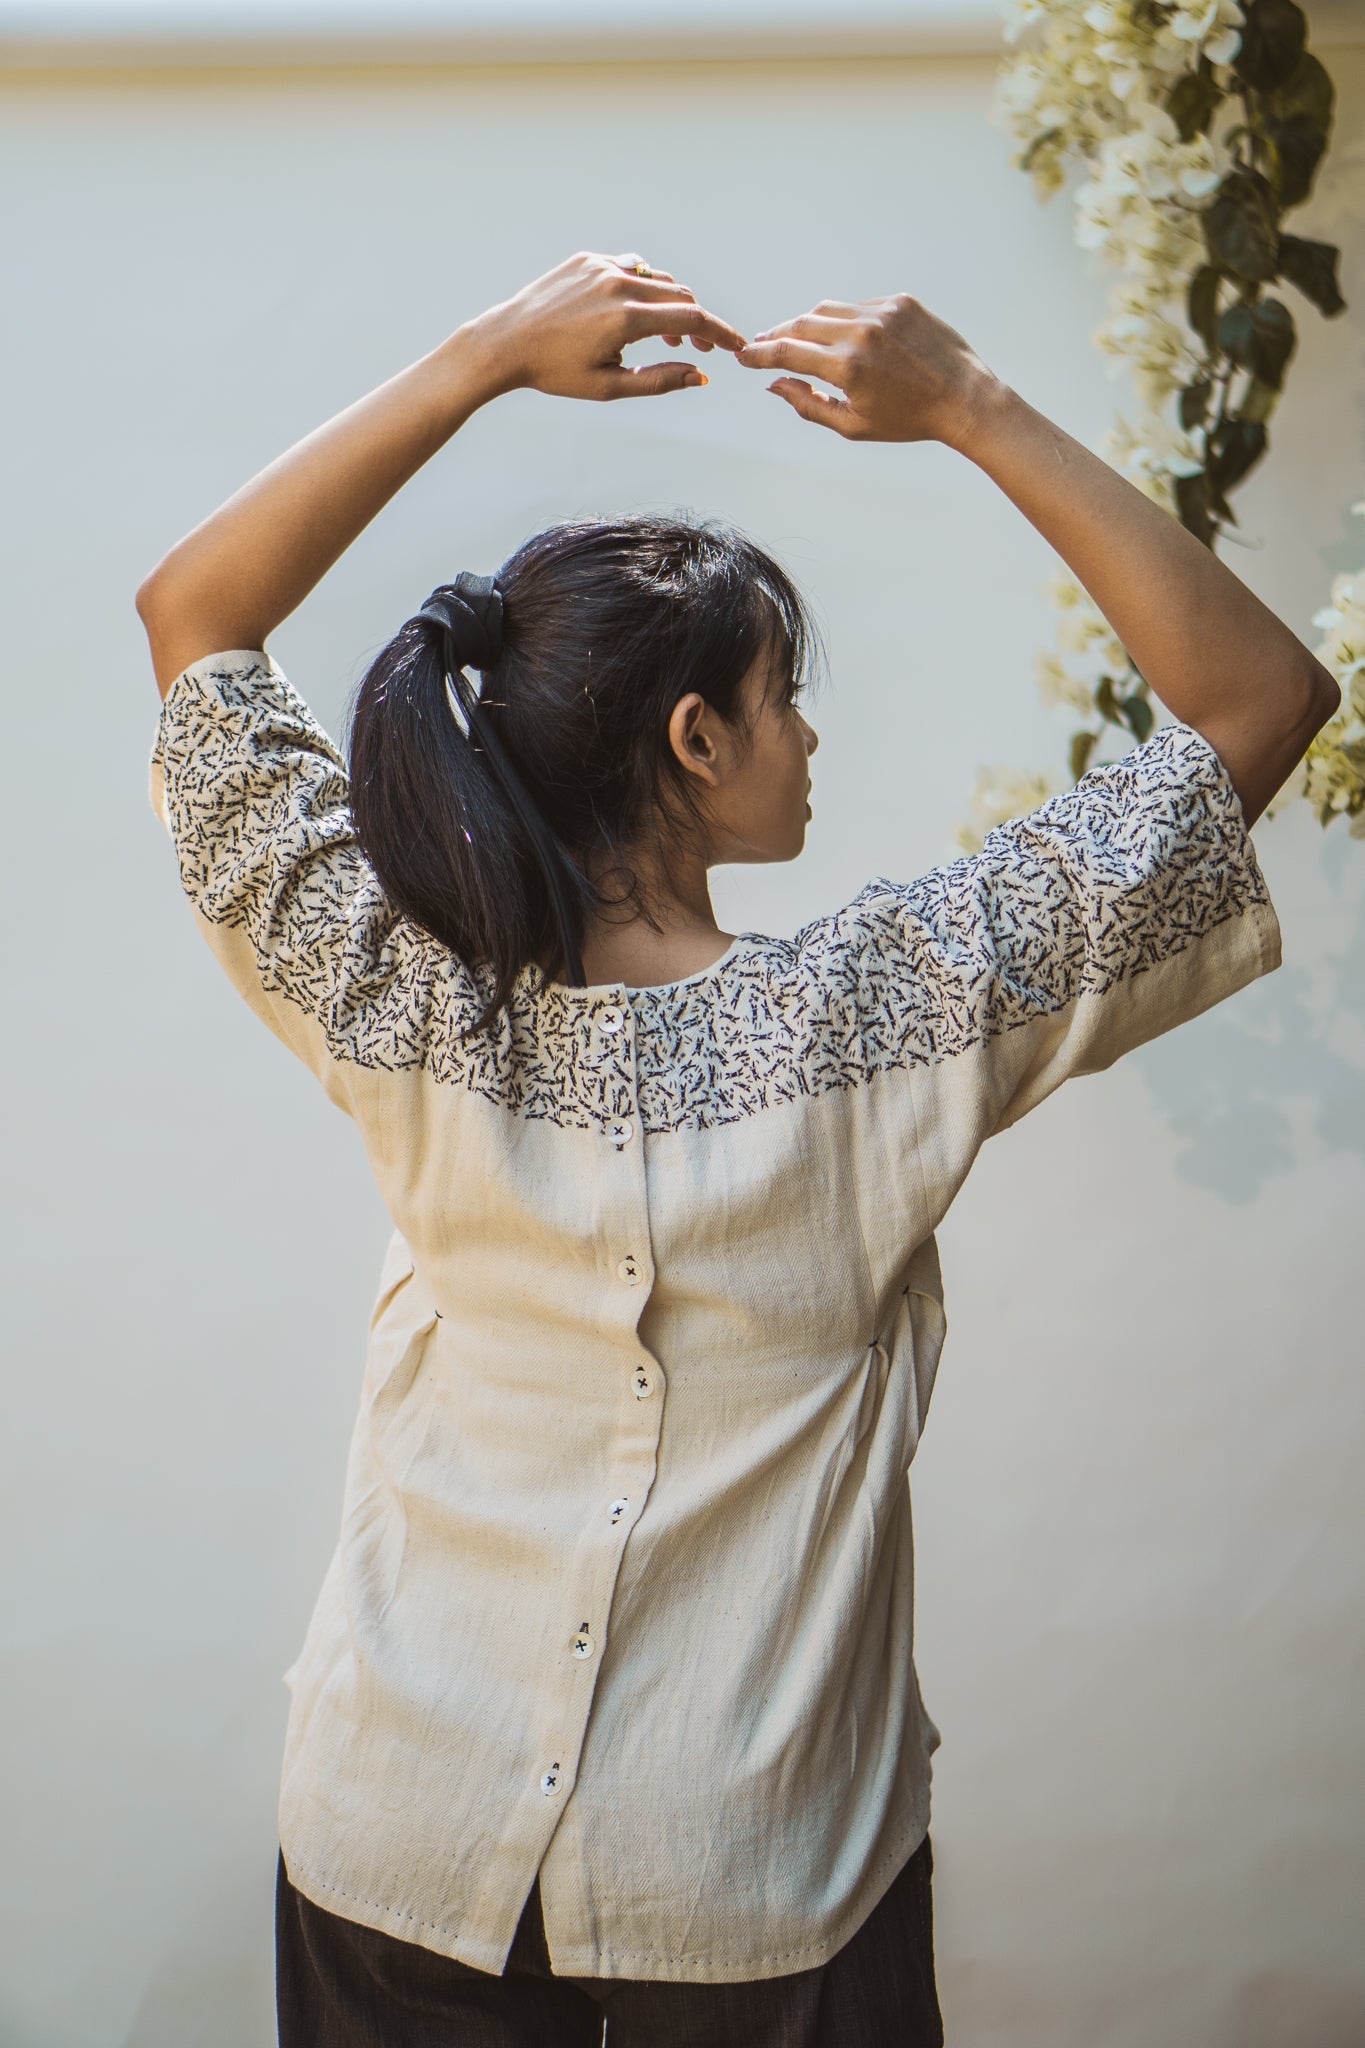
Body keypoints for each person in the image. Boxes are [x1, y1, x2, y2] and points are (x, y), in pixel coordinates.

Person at [136, 249, 1338, 2048]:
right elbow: (1258, 703)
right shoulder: (886, 1020)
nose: (810, 735)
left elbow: (193, 617)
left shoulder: (391, 997)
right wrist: (969, 407)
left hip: (396, 1848)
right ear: (696, 741)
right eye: (785, 699)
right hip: (758, 1890)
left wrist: (481, 359)